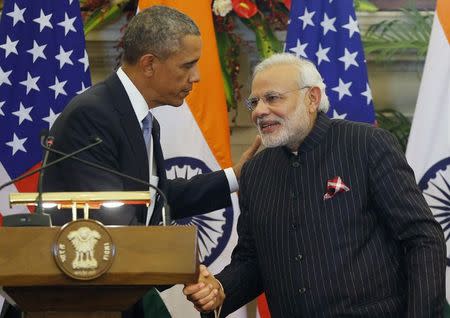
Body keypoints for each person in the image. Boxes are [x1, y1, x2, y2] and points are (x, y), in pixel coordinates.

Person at [36, 5, 260, 318]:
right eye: (188, 65)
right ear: (150, 64)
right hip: (84, 303)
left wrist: (237, 175)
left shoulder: (143, 120)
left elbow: (157, 198)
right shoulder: (92, 116)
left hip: (120, 299)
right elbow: (107, 225)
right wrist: (184, 267)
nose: (196, 77)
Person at [183, 53, 446, 317]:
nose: (259, 111)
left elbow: (422, 237)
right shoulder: (254, 171)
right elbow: (252, 261)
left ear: (312, 98)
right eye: (255, 102)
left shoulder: (366, 145)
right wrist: (217, 289)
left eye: (272, 98)